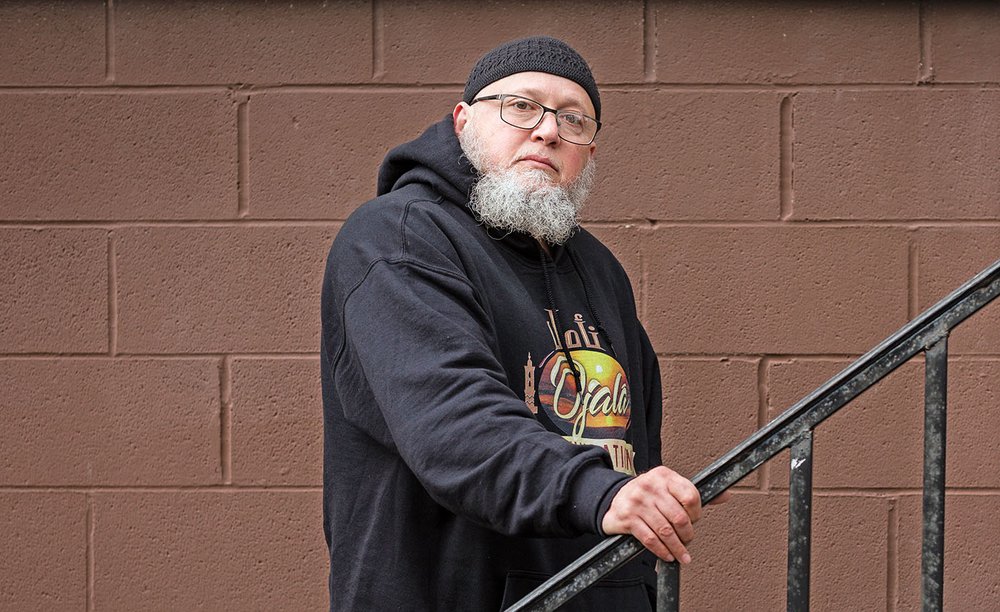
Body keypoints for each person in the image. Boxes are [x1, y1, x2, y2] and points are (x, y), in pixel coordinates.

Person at [321, 36, 723, 611]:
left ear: (590, 153)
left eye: (573, 119)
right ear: (463, 122)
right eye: (521, 106)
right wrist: (599, 490)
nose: (547, 131)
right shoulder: (398, 239)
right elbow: (454, 423)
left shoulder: (600, 270)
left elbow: (635, 450)